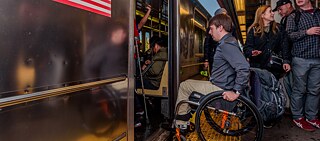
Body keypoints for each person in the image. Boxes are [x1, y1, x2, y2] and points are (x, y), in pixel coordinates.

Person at [175, 14, 250, 130]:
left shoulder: (226, 45)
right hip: (221, 85)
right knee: (189, 83)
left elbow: (244, 67)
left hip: (220, 89)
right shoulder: (229, 41)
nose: (210, 32)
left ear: (220, 28)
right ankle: (185, 117)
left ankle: (181, 123)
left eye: (211, 29)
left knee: (184, 86)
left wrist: (236, 92)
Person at [286, 0, 320, 132]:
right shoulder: (294, 16)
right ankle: (298, 117)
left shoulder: (318, 14)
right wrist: (307, 32)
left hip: (317, 59)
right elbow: (289, 35)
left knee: (315, 90)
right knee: (299, 89)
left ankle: (312, 117)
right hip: (300, 59)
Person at [243, 5, 291, 79]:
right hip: (259, 68)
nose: (273, 13)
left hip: (275, 68)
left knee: (275, 89)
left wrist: (286, 61)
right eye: (270, 11)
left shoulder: (279, 28)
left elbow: (284, 46)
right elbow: (247, 48)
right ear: (262, 15)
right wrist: (252, 52)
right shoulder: (253, 30)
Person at [273, 0, 295, 103]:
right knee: (288, 84)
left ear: (288, 5)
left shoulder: (296, 17)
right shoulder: (284, 20)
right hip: (288, 59)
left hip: (295, 58)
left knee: (295, 87)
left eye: (280, 9)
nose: (279, 12)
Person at [203, 8, 227, 72]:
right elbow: (207, 44)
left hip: (226, 59)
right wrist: (206, 59)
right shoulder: (211, 28)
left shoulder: (231, 27)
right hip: (214, 58)